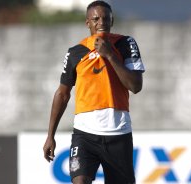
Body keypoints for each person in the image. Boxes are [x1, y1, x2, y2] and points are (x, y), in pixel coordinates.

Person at [43, 1, 145, 183]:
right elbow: (62, 94)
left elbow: (136, 86)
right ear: (87, 23)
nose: (101, 22)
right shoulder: (76, 52)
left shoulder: (125, 44)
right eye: (96, 19)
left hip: (118, 134)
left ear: (112, 21)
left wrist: (110, 55)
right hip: (85, 135)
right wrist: (50, 136)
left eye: (106, 18)